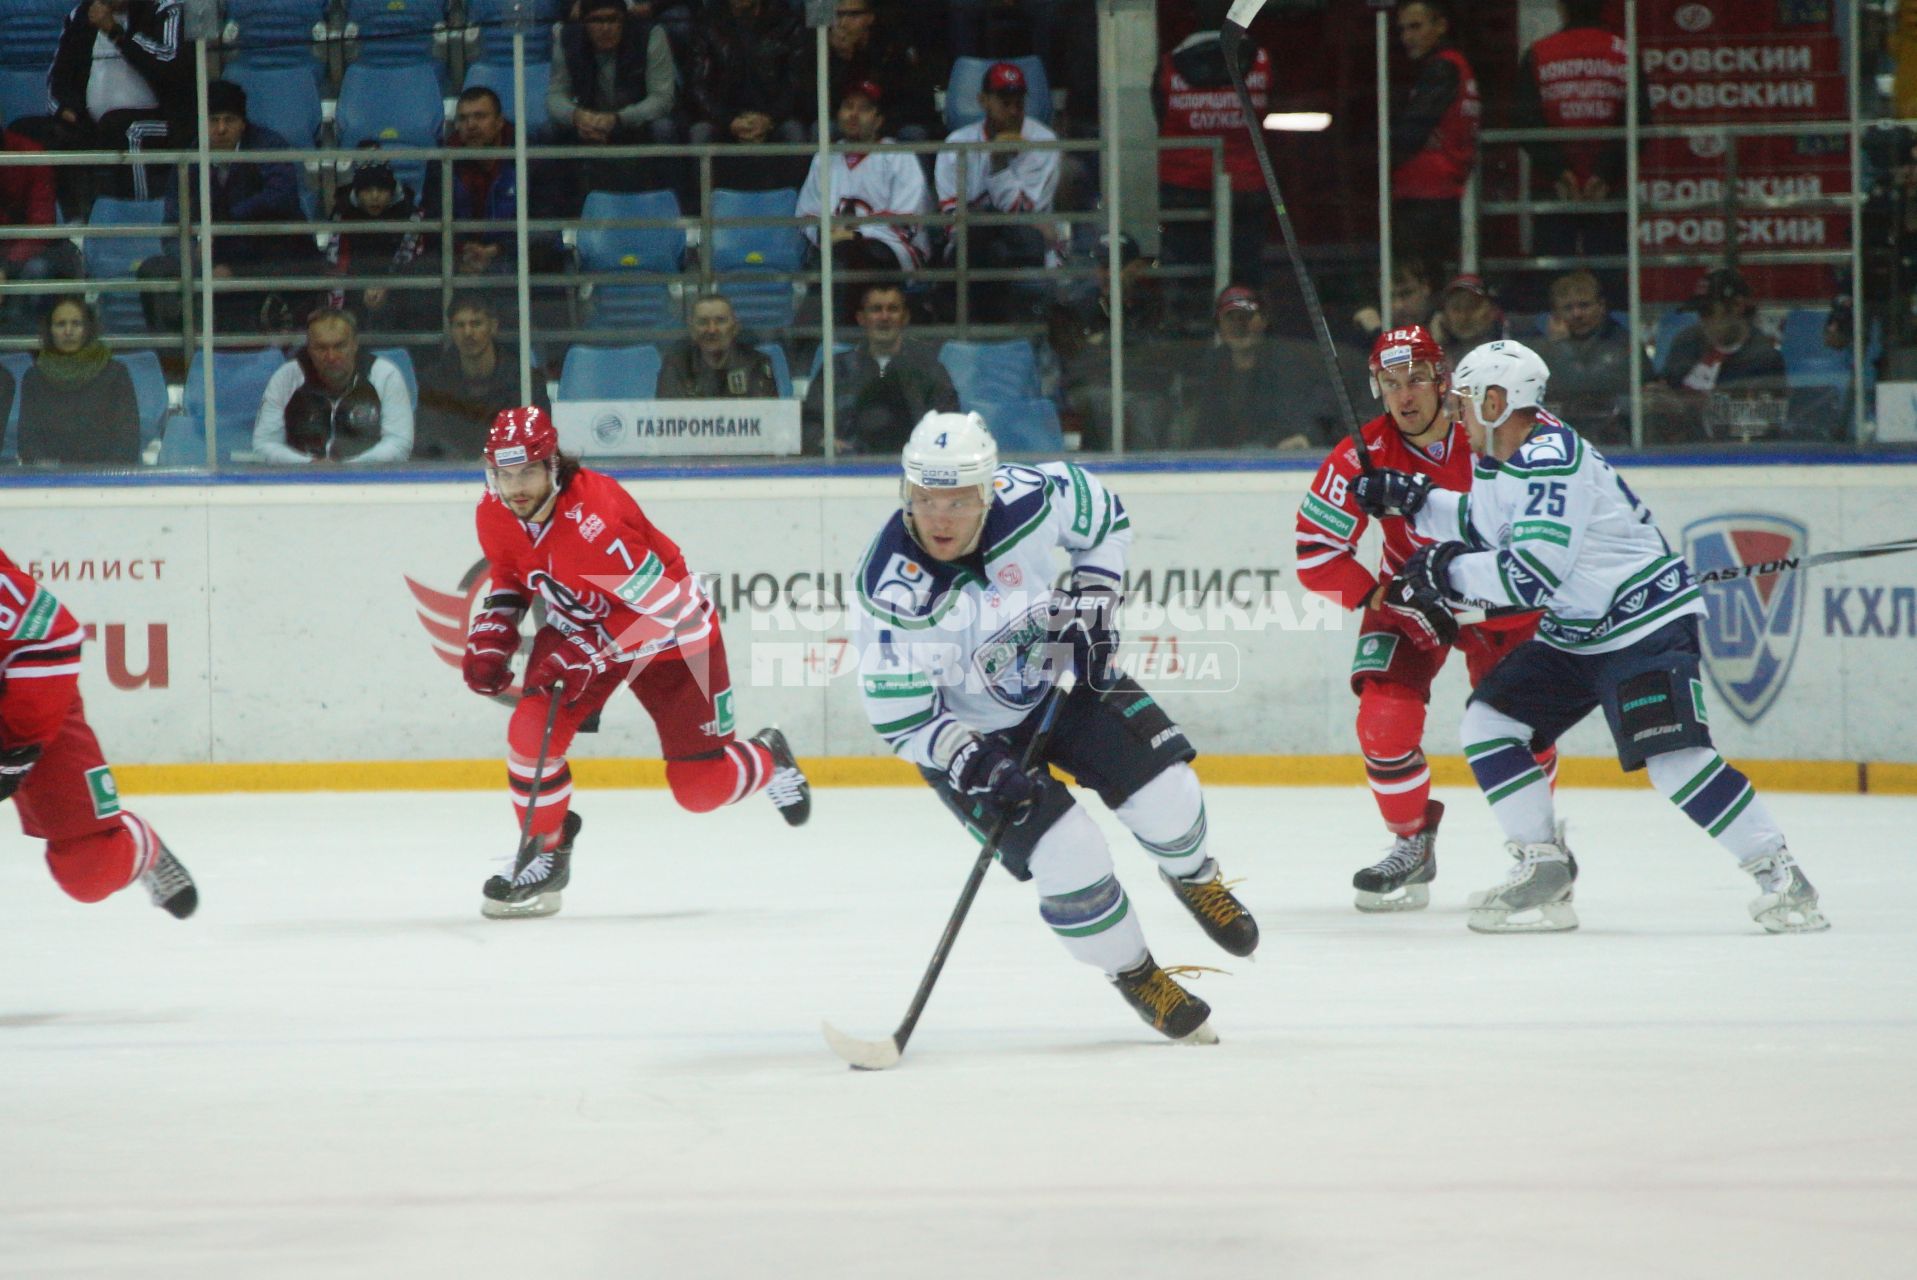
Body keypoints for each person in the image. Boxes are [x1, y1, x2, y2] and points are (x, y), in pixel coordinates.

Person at [1350, 338, 1829, 934]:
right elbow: (1486, 521)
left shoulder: (1550, 460)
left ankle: (1782, 877)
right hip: (1578, 630)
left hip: (1642, 628)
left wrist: (1440, 571)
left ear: (1497, 401)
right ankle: (1543, 865)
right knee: (1490, 722)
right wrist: (1416, 502)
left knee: (1675, 761)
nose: (1455, 412)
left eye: (1466, 400)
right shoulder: (1507, 451)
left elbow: (1527, 575)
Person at [850, 411, 1258, 1042]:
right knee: (1072, 860)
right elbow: (903, 719)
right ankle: (1134, 972)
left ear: (987, 490)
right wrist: (973, 762)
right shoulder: (895, 593)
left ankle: (1195, 877)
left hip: (1058, 669)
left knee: (1170, 798)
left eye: (957, 500)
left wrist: (1094, 600)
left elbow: (1105, 518)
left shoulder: (1033, 496)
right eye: (925, 499)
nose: (939, 519)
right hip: (970, 738)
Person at [463, 405, 811, 917]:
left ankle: (769, 757)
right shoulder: (494, 512)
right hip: (584, 629)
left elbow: (669, 609)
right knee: (529, 735)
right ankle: (546, 850)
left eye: (528, 472)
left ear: (553, 465)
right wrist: (497, 623)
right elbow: (512, 570)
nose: (515, 487)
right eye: (504, 474)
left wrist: (591, 650)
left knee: (699, 790)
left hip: (674, 638)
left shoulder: (598, 521)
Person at [1295, 325, 1549, 912]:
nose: (1404, 396)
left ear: (1442, 379)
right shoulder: (1361, 453)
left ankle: (1541, 855)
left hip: (1500, 600)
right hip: (1410, 600)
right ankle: (1411, 844)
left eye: (1415, 380)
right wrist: (1378, 596)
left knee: (1527, 728)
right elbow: (1316, 552)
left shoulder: (1491, 428)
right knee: (1383, 722)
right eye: (1390, 383)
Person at [0, 544, 197, 920]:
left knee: (90, 867)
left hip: (27, 704)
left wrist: (16, 747)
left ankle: (140, 845)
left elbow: (50, 636)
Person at [146, 79, 323, 336]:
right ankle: (178, 358)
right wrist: (197, 263)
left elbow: (281, 199)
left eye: (228, 120)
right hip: (215, 259)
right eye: (213, 120)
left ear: (242, 122)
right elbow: (173, 224)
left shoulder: (268, 147)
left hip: (270, 253)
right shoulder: (190, 161)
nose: (220, 128)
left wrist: (223, 231)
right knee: (154, 272)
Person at [1154, 0, 1271, 308]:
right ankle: (1247, 335)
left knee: (1188, 281)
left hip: (1182, 192)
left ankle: (1189, 338)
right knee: (1246, 280)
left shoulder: (1168, 66)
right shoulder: (1260, 61)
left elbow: (1160, 115)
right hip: (1246, 189)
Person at [21, 0, 190, 212]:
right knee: (31, 131)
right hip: (97, 122)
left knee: (127, 129)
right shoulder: (81, 16)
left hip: (165, 119)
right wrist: (67, 110)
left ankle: (139, 217)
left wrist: (115, 31)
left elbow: (169, 66)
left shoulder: (164, 9)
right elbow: (58, 78)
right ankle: (74, 227)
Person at [1513, 0, 1634, 285]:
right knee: (1611, 277)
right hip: (1607, 188)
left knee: (1553, 279)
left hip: (1555, 187)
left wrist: (1560, 173)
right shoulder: (1624, 52)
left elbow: (1523, 121)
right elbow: (1638, 121)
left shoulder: (1538, 53)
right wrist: (1603, 174)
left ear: (1561, 7)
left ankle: (1551, 327)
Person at [934, 61, 1061, 323]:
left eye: (1019, 102)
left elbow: (1025, 219)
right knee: (981, 242)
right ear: (983, 101)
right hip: (972, 245)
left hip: (1027, 247)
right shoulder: (956, 144)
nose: (1014, 111)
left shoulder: (1044, 141)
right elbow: (953, 219)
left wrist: (999, 166)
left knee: (1013, 240)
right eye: (1005, 102)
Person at [795, 80, 931, 322]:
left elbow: (906, 221)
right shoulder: (825, 157)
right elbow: (806, 215)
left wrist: (854, 234)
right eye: (848, 106)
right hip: (837, 250)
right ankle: (823, 341)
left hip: (891, 251)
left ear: (879, 120)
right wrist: (826, 235)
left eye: (864, 108)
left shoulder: (898, 156)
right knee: (832, 259)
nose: (854, 114)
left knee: (846, 259)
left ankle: (827, 339)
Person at [426, 88, 568, 287]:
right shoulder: (442, 164)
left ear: (499, 122)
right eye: (463, 118)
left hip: (516, 259)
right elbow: (433, 221)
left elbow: (546, 225)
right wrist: (464, 250)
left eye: (480, 116)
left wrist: (497, 250)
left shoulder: (533, 161)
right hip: (462, 262)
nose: (471, 125)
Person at [547, 0, 683, 205]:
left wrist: (618, 119)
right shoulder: (567, 38)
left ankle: (673, 207)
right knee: (549, 130)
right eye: (596, 20)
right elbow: (555, 95)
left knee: (664, 128)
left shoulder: (650, 35)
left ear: (625, 20)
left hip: (638, 121)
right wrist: (576, 116)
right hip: (589, 122)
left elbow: (662, 98)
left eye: (613, 19)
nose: (605, 28)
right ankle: (562, 212)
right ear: (584, 23)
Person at [1048, 231, 1173, 450]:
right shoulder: (1081, 306)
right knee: (1103, 402)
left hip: (1142, 390)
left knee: (1145, 407)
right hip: (1097, 390)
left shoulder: (1154, 305)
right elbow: (1076, 364)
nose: (1106, 274)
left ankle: (1147, 475)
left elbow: (1159, 358)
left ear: (1135, 268)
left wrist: (1103, 344)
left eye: (1116, 267)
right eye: (1103, 266)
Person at [802, 281, 959, 455]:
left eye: (893, 309)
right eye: (876, 309)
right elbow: (810, 423)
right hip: (848, 470)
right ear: (861, 318)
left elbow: (950, 423)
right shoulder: (837, 368)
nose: (885, 317)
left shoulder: (928, 368)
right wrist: (824, 441)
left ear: (905, 317)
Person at [1178, 285, 1335, 451]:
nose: (1239, 325)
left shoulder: (1290, 364)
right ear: (1219, 325)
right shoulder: (1208, 366)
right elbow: (1199, 430)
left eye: (1247, 317)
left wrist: (1307, 437)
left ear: (1264, 320)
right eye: (1231, 318)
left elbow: (1316, 416)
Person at [252, 308, 415, 464]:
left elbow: (399, 445)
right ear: (308, 348)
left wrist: (348, 468)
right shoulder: (287, 377)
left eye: (339, 346)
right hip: (301, 480)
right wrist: (309, 464)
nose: (331, 356)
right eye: (321, 348)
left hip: (367, 480)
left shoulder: (384, 375)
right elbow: (264, 444)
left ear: (354, 344)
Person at [1643, 267, 1786, 443]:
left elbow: (1752, 427)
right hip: (1675, 449)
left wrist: (1682, 409)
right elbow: (1666, 384)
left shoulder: (1762, 359)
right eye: (1699, 313)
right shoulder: (1687, 341)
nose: (1702, 321)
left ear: (1737, 306)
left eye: (1708, 312)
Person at [1389, 1, 1479, 274]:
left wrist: (1382, 155)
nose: (1407, 37)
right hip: (1441, 190)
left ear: (1440, 26)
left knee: (1418, 280)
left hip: (1426, 194)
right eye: (1403, 29)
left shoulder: (1443, 70)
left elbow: (1412, 131)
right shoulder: (1458, 68)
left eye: (1416, 27)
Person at [685, 0, 809, 190]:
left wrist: (769, 118)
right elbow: (698, 87)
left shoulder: (787, 24)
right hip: (724, 119)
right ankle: (705, 212)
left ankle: (796, 213)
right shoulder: (708, 25)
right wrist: (729, 120)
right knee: (700, 134)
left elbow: (797, 84)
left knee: (794, 132)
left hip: (773, 117)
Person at [414, 296, 551, 462]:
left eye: (476, 324)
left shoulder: (525, 380)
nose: (468, 333)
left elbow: (540, 438)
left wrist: (496, 458)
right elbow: (426, 441)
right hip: (450, 477)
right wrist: (460, 466)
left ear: (493, 327)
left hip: (510, 475)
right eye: (460, 325)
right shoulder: (433, 381)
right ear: (451, 330)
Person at [17, 296, 141, 467]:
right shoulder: (33, 377)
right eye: (61, 324)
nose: (68, 331)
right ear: (50, 330)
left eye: (76, 324)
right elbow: (28, 442)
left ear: (88, 328)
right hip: (50, 482)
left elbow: (127, 439)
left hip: (107, 480)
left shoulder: (115, 373)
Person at [801, 0, 939, 143]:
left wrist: (877, 122)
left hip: (887, 122)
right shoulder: (824, 49)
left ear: (870, 17)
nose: (843, 23)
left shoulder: (891, 48)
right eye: (838, 15)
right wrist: (840, 60)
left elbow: (916, 102)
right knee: (822, 128)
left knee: (914, 133)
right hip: (846, 122)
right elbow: (811, 104)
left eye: (853, 15)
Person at [326, 156, 428, 334]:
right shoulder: (342, 215)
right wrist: (361, 289)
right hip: (355, 287)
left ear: (392, 190)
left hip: (399, 289)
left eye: (381, 189)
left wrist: (387, 286)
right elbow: (337, 263)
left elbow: (411, 262)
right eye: (367, 190)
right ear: (357, 193)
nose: (374, 196)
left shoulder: (411, 216)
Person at [1533, 268, 1631, 445]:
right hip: (1556, 437)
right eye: (1568, 308)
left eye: (1584, 305)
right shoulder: (1543, 349)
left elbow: (1583, 386)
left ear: (1601, 306)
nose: (1577, 314)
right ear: (1555, 314)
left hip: (1610, 437)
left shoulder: (1620, 341)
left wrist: (1561, 346)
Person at [1, 128, 83, 334]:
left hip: (29, 251)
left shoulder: (30, 153)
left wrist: (5, 267)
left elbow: (41, 223)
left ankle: (23, 338)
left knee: (37, 269)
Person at [658, 295, 780, 399]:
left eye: (720, 321)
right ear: (692, 330)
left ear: (735, 328)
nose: (712, 330)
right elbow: (666, 419)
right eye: (703, 322)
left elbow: (767, 418)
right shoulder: (676, 365)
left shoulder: (756, 364)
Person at [1428, 272, 1504, 370]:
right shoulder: (1434, 363)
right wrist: (1435, 346)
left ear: (1493, 311)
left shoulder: (1512, 356)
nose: (1464, 316)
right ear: (1444, 316)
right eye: (1456, 308)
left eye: (1472, 306)